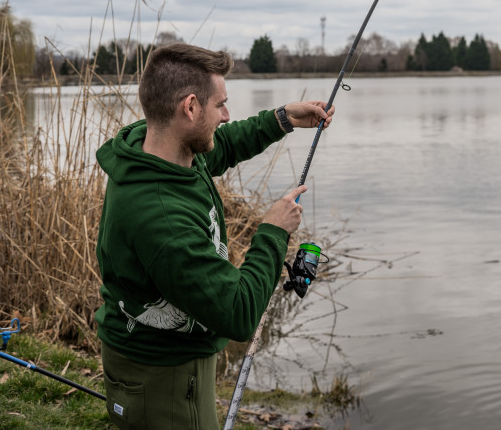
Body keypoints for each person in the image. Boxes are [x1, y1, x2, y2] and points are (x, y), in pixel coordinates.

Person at [94, 43, 334, 429]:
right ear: (190, 107)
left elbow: (220, 146)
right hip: (162, 373)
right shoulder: (160, 215)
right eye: (220, 105)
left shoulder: (161, 147)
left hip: (175, 355)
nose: (226, 115)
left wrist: (283, 118)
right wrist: (273, 232)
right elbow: (238, 314)